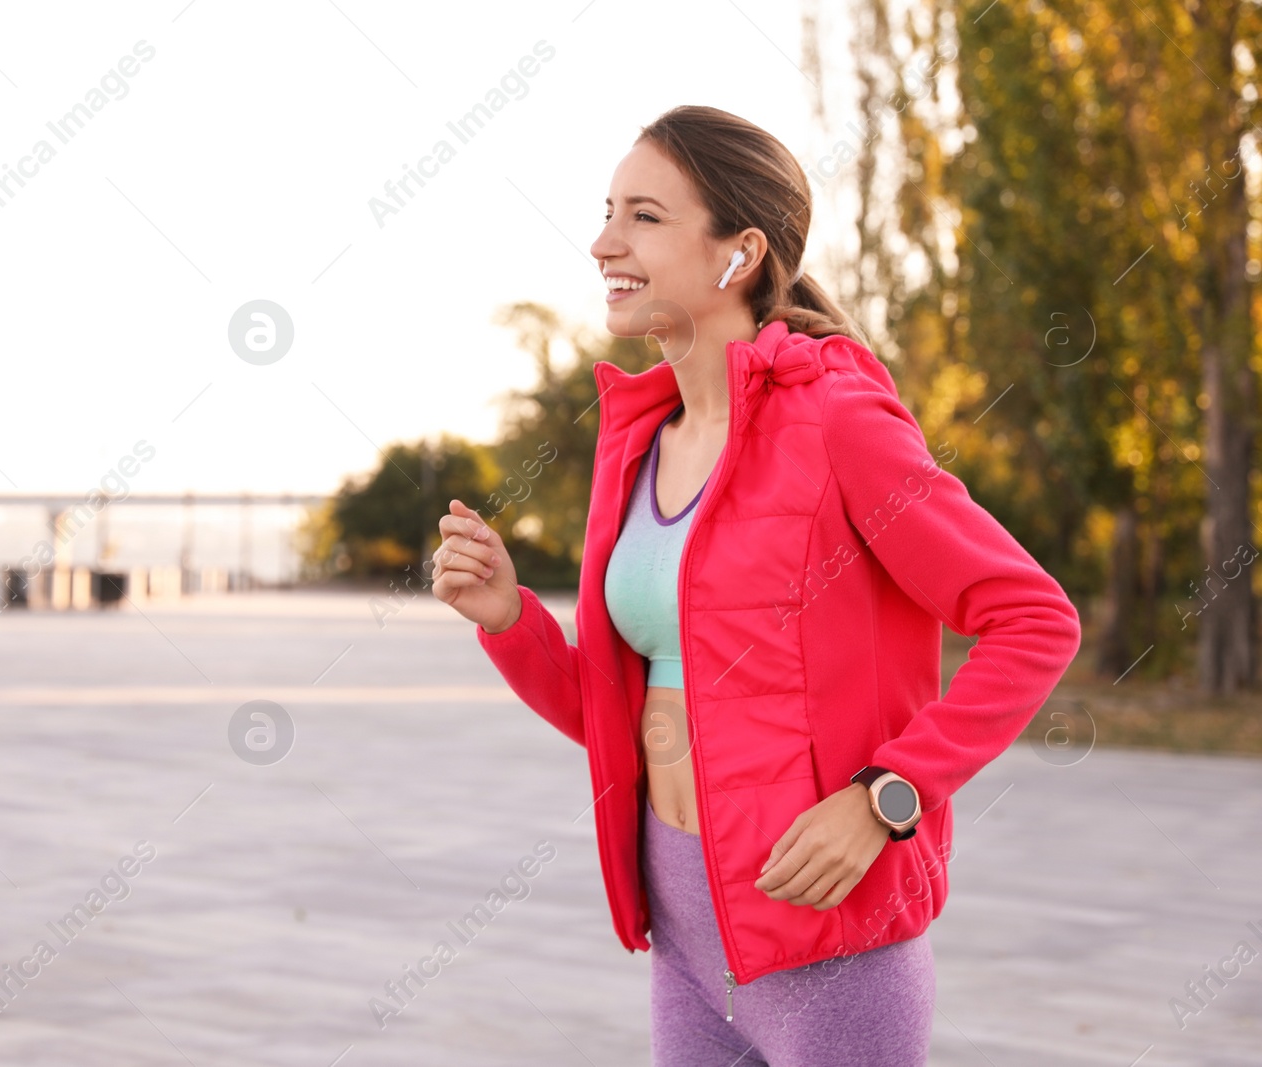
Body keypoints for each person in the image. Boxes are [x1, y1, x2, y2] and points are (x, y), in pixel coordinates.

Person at [430, 105, 1081, 1066]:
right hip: (688, 940)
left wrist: (885, 797)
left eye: (644, 216)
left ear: (739, 253)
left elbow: (1033, 618)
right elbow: (620, 709)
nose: (605, 241)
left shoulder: (835, 415)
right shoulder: (638, 445)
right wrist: (509, 619)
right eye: (608, 211)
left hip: (831, 954)